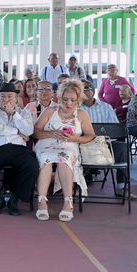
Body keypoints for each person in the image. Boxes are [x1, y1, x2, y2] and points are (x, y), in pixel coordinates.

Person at [32, 82, 94, 222]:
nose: (68, 103)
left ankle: (68, 201)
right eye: (65, 99)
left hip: (70, 145)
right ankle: (42, 200)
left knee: (64, 158)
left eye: (73, 100)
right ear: (59, 98)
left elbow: (90, 135)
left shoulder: (82, 114)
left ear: (79, 100)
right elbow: (35, 132)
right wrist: (51, 134)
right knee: (46, 158)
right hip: (47, 143)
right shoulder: (50, 111)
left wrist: (75, 138)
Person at [0, 83, 38, 216]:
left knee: (32, 165)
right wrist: (17, 132)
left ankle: (14, 199)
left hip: (18, 150)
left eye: (10, 96)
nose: (6, 99)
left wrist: (14, 115)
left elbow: (28, 131)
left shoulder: (25, 113)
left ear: (16, 98)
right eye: (3, 96)